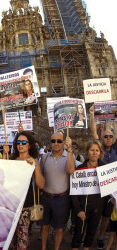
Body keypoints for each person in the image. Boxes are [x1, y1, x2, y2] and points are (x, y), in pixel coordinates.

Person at [3, 131, 45, 249]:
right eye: (18, 142)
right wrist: (4, 155)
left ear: (29, 145)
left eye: (23, 142)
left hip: (26, 207)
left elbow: (41, 185)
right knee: (10, 240)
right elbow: (3, 177)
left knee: (22, 239)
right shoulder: (12, 160)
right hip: (11, 205)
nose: (20, 144)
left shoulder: (33, 161)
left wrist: (35, 166)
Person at [39, 132, 75, 250]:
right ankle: (43, 248)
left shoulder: (70, 156)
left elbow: (70, 171)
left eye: (59, 141)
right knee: (44, 227)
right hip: (45, 197)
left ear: (64, 142)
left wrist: (69, 150)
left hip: (62, 199)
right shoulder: (44, 158)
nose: (56, 143)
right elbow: (40, 176)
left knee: (59, 228)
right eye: (53, 141)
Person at [90, 105, 117, 249]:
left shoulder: (115, 149)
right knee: (94, 214)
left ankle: (101, 237)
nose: (107, 138)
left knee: (106, 215)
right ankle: (88, 236)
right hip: (97, 187)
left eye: (110, 136)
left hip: (111, 189)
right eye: (105, 136)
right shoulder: (99, 147)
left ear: (113, 138)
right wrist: (92, 114)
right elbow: (94, 132)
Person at [71, 140, 105, 250]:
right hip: (83, 207)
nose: (94, 153)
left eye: (97, 150)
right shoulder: (80, 168)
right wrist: (78, 210)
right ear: (87, 152)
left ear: (100, 153)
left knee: (91, 233)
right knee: (78, 234)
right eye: (92, 150)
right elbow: (74, 192)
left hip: (97, 207)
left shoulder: (104, 169)